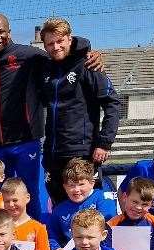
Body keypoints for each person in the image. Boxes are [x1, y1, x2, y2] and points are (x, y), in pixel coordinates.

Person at [0, 13, 106, 219]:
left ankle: (33, 236)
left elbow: (62, 55)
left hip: (26, 140)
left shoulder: (30, 56)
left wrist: (88, 52)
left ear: (9, 32)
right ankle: (3, 238)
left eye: (0, 31)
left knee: (28, 192)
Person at [33, 18, 122, 204]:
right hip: (54, 153)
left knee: (88, 213)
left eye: (60, 41)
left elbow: (112, 103)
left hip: (83, 152)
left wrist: (104, 143)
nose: (55, 47)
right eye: (50, 43)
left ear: (69, 39)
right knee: (59, 209)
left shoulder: (89, 64)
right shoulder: (44, 69)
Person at [46, 158, 118, 250]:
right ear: (64, 187)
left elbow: (110, 228)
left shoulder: (103, 200)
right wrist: (55, 248)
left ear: (92, 183)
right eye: (71, 185)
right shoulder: (59, 210)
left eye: (81, 184)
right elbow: (52, 234)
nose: (76, 189)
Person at [0, 177, 58, 250]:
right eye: (7, 201)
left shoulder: (38, 227)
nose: (11, 204)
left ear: (27, 198)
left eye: (15, 200)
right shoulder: (0, 226)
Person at [106, 177, 154, 250]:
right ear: (124, 197)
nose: (138, 207)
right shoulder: (112, 224)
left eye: (145, 204)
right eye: (135, 202)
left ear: (152, 204)